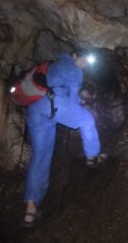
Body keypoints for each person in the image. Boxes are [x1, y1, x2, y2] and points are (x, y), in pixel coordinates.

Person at [23, 49, 104, 227]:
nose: (84, 64)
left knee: (40, 156)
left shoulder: (53, 63)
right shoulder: (73, 67)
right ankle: (92, 157)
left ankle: (30, 210)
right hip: (55, 104)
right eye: (83, 59)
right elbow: (73, 101)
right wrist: (78, 105)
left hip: (35, 109)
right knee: (87, 119)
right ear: (75, 56)